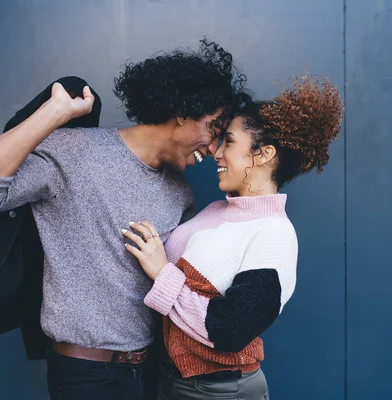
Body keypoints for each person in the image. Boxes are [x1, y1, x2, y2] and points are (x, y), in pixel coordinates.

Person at [0, 39, 247, 400]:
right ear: (185, 111)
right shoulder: (72, 151)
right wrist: (52, 115)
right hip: (83, 375)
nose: (213, 150)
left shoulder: (181, 194)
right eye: (213, 129)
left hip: (152, 370)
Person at [123, 75, 344, 399]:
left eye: (229, 142)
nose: (216, 153)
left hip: (221, 390)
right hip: (172, 380)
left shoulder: (275, 234)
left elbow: (230, 330)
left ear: (263, 154)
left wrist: (162, 272)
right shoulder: (215, 210)